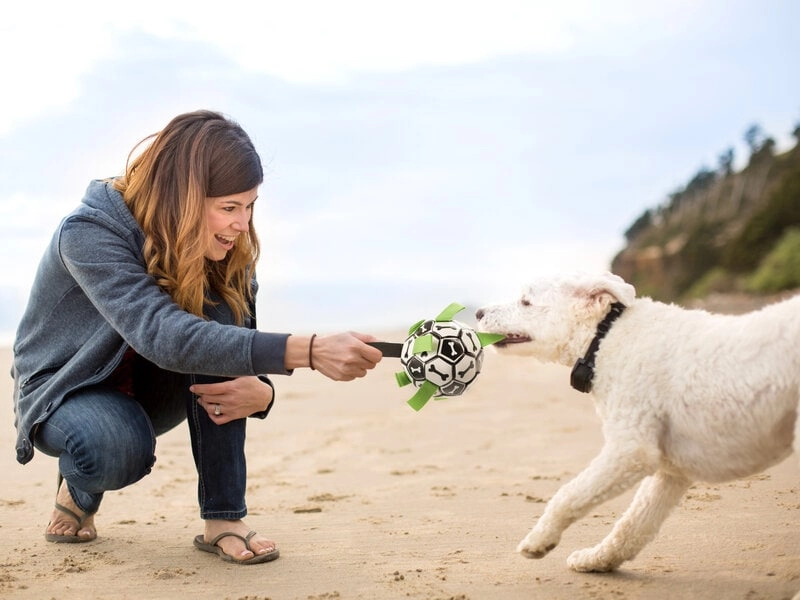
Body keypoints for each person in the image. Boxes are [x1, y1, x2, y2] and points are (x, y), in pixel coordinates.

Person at [11, 109, 383, 565]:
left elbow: (233, 346)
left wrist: (262, 393)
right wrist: (307, 350)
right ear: (180, 198)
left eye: (250, 206)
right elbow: (163, 334)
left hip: (153, 385)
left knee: (215, 313)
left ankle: (224, 519)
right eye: (229, 208)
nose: (242, 223)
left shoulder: (226, 244)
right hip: (65, 388)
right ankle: (80, 487)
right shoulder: (89, 232)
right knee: (112, 448)